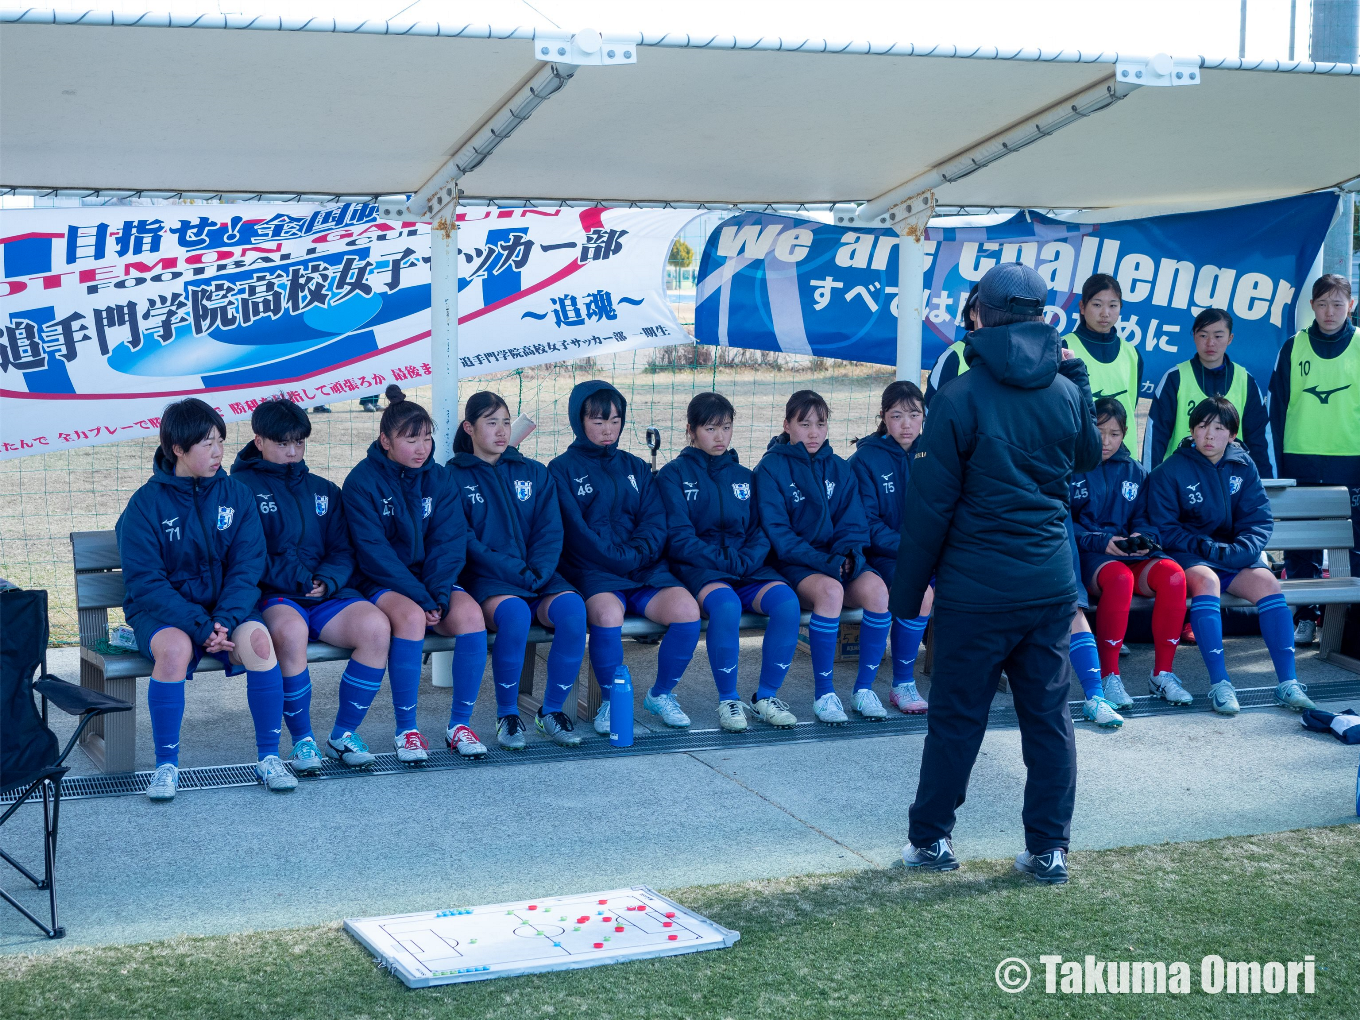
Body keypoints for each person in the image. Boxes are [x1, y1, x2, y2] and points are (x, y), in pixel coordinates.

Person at [893, 262, 1102, 885]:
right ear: (1044, 317)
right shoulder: (1064, 390)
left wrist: (907, 596)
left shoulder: (958, 396)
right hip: (1047, 585)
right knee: (1048, 717)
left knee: (958, 718)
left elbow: (930, 508)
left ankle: (932, 841)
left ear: (979, 315)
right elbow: (1089, 455)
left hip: (977, 590)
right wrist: (1080, 386)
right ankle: (1050, 848)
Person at [116, 398, 294, 801]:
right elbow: (146, 583)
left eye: (220, 441)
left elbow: (248, 568)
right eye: (207, 444)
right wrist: (201, 626)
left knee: (260, 642)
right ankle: (166, 766)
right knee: (175, 650)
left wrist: (225, 621)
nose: (217, 452)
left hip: (225, 614)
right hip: (163, 615)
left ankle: (269, 757)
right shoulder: (145, 504)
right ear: (178, 449)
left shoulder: (237, 495)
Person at [229, 399, 392, 773]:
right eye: (282, 443)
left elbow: (343, 548)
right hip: (276, 594)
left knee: (376, 627)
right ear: (259, 441)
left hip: (327, 593)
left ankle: (344, 734)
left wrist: (329, 580)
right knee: (290, 631)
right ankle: (303, 740)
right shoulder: (238, 489)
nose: (291, 451)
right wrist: (300, 580)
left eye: (298, 443)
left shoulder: (324, 490)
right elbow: (248, 555)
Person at [343, 388, 490, 759]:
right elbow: (374, 554)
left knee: (471, 615)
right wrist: (423, 598)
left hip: (432, 583)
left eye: (427, 438)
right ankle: (406, 730)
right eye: (411, 439)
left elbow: (449, 542)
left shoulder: (439, 479)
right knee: (409, 618)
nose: (422, 448)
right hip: (381, 581)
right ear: (385, 441)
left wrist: (438, 594)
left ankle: (460, 725)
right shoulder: (361, 481)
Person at [1146, 396, 1316, 714]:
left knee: (1268, 584)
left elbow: (1259, 520)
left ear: (1233, 435)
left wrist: (1239, 551)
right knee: (1207, 581)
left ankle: (1288, 683)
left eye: (1219, 428)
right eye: (1202, 426)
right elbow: (1165, 529)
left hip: (1234, 555)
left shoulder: (1243, 465)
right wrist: (1207, 548)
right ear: (1192, 431)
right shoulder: (1171, 470)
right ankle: (1221, 684)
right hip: (1191, 555)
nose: (1209, 435)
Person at [549, 380, 701, 735]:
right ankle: (609, 703)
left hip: (644, 568)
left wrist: (638, 553)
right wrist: (618, 557)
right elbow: (575, 531)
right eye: (599, 421)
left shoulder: (634, 466)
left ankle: (661, 694)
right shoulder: (561, 469)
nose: (608, 429)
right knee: (607, 613)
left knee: (686, 610)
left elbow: (654, 519)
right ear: (579, 421)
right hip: (594, 571)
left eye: (615, 421)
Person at [446, 391, 588, 749]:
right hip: (490, 578)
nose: (500, 431)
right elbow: (466, 540)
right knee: (514, 616)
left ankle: (551, 711)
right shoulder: (452, 477)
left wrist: (539, 570)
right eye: (491, 423)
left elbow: (550, 529)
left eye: (506, 422)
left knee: (573, 611)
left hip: (539, 574)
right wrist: (516, 570)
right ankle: (507, 715)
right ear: (469, 428)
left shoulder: (534, 472)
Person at [657, 392, 801, 731]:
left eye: (726, 428)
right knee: (726, 606)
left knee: (787, 603)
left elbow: (760, 528)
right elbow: (679, 538)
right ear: (691, 430)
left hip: (746, 566)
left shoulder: (744, 475)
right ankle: (729, 700)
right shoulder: (673, 475)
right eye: (710, 428)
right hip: (700, 568)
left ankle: (765, 697)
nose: (720, 437)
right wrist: (726, 560)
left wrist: (747, 558)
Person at [756, 390, 890, 724]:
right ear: (787, 425)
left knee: (877, 591)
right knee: (831, 592)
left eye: (821, 423)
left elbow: (854, 523)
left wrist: (849, 557)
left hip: (837, 560)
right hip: (796, 565)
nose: (813, 432)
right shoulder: (770, 468)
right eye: (804, 424)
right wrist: (828, 563)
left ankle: (863, 690)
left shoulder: (840, 468)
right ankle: (825, 694)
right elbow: (780, 537)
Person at [1070, 397, 1189, 726]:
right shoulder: (1071, 465)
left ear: (1124, 435)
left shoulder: (1136, 471)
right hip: (1089, 557)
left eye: (1115, 434)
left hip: (1129, 553)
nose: (1106, 442)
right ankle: (1110, 676)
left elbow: (1148, 520)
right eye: (1099, 432)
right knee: (1120, 579)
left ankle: (1162, 674)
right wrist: (1101, 541)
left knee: (1174, 577)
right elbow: (1064, 525)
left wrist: (1143, 541)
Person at [1268, 274, 1360, 646]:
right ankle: (1305, 617)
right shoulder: (1293, 347)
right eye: (1322, 303)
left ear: (1350, 305)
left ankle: (1349, 624)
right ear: (1312, 306)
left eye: (1337, 304)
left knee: (1353, 547)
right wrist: (1275, 468)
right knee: (1301, 547)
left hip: (1350, 463)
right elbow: (1276, 409)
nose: (1329, 311)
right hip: (1300, 462)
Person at [849, 381, 931, 713]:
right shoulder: (865, 459)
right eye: (897, 415)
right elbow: (866, 523)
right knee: (920, 592)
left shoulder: (935, 453)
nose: (906, 424)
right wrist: (912, 549)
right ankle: (898, 683)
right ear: (883, 417)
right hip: (884, 558)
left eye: (914, 414)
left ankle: (972, 678)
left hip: (930, 554)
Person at [1144, 307, 1273, 476]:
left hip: (1231, 479)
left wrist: (1268, 484)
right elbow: (1156, 436)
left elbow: (1259, 439)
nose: (1210, 343)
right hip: (1182, 479)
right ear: (1194, 336)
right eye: (1203, 335)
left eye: (1218, 336)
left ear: (1230, 338)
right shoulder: (1174, 378)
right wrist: (1149, 482)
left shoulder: (1245, 380)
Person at [1061, 273, 1141, 455]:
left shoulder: (1132, 354)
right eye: (1097, 305)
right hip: (1078, 455)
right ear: (1082, 307)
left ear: (1120, 307)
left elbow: (1130, 405)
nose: (1105, 313)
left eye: (1113, 305)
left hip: (1123, 460)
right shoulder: (1064, 347)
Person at [923, 284, 980, 407]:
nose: (994, 316)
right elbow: (933, 413)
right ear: (972, 314)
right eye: (986, 309)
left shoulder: (1021, 356)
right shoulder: (952, 357)